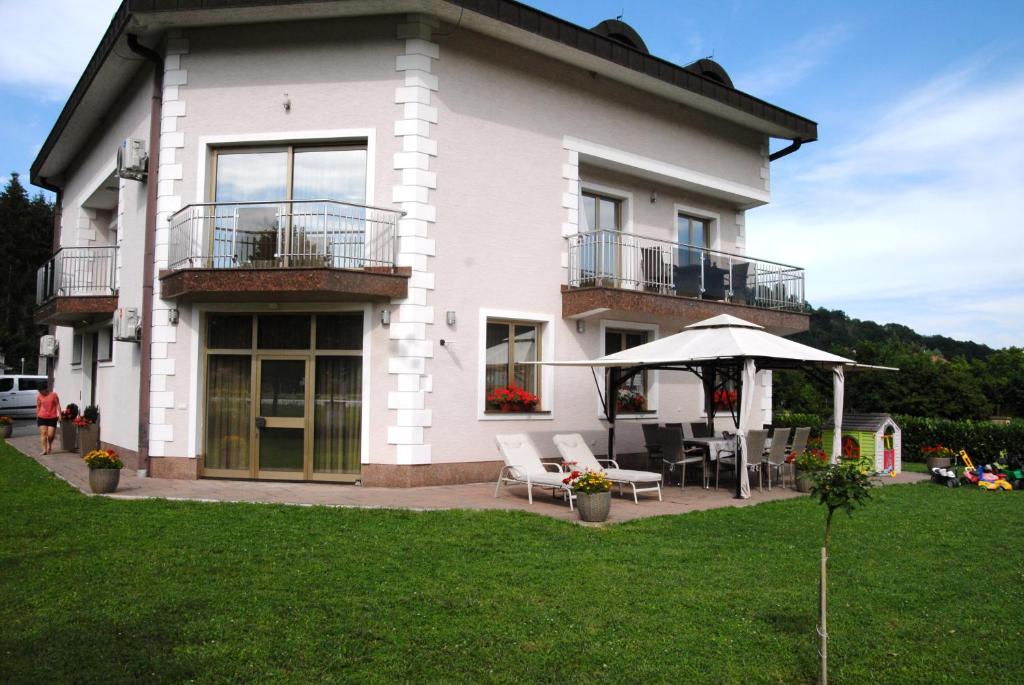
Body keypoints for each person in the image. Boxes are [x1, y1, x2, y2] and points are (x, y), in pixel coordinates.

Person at [36, 383, 62, 456]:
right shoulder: (39, 396)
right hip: (42, 417)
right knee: (43, 433)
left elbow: (58, 405)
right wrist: (37, 416)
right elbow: (38, 406)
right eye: (39, 391)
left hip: (52, 417)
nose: (40, 393)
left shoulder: (54, 395)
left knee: (50, 435)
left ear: (45, 389)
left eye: (41, 391)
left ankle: (49, 445)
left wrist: (60, 415)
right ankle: (44, 449)